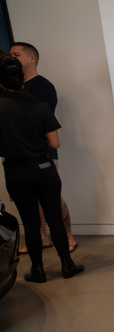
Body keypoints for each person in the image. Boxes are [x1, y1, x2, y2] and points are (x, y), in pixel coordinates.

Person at [0, 55, 84, 282]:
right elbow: (54, 143)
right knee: (54, 220)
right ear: (21, 79)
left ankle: (37, 270)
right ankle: (67, 265)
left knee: (30, 223)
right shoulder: (39, 106)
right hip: (44, 168)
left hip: (15, 171)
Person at [10, 42, 78, 253]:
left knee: (51, 197)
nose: (12, 57)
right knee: (32, 200)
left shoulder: (42, 87)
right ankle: (41, 237)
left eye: (17, 54)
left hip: (43, 153)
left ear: (32, 58)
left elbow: (35, 120)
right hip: (19, 155)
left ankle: (68, 236)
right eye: (10, 54)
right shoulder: (12, 87)